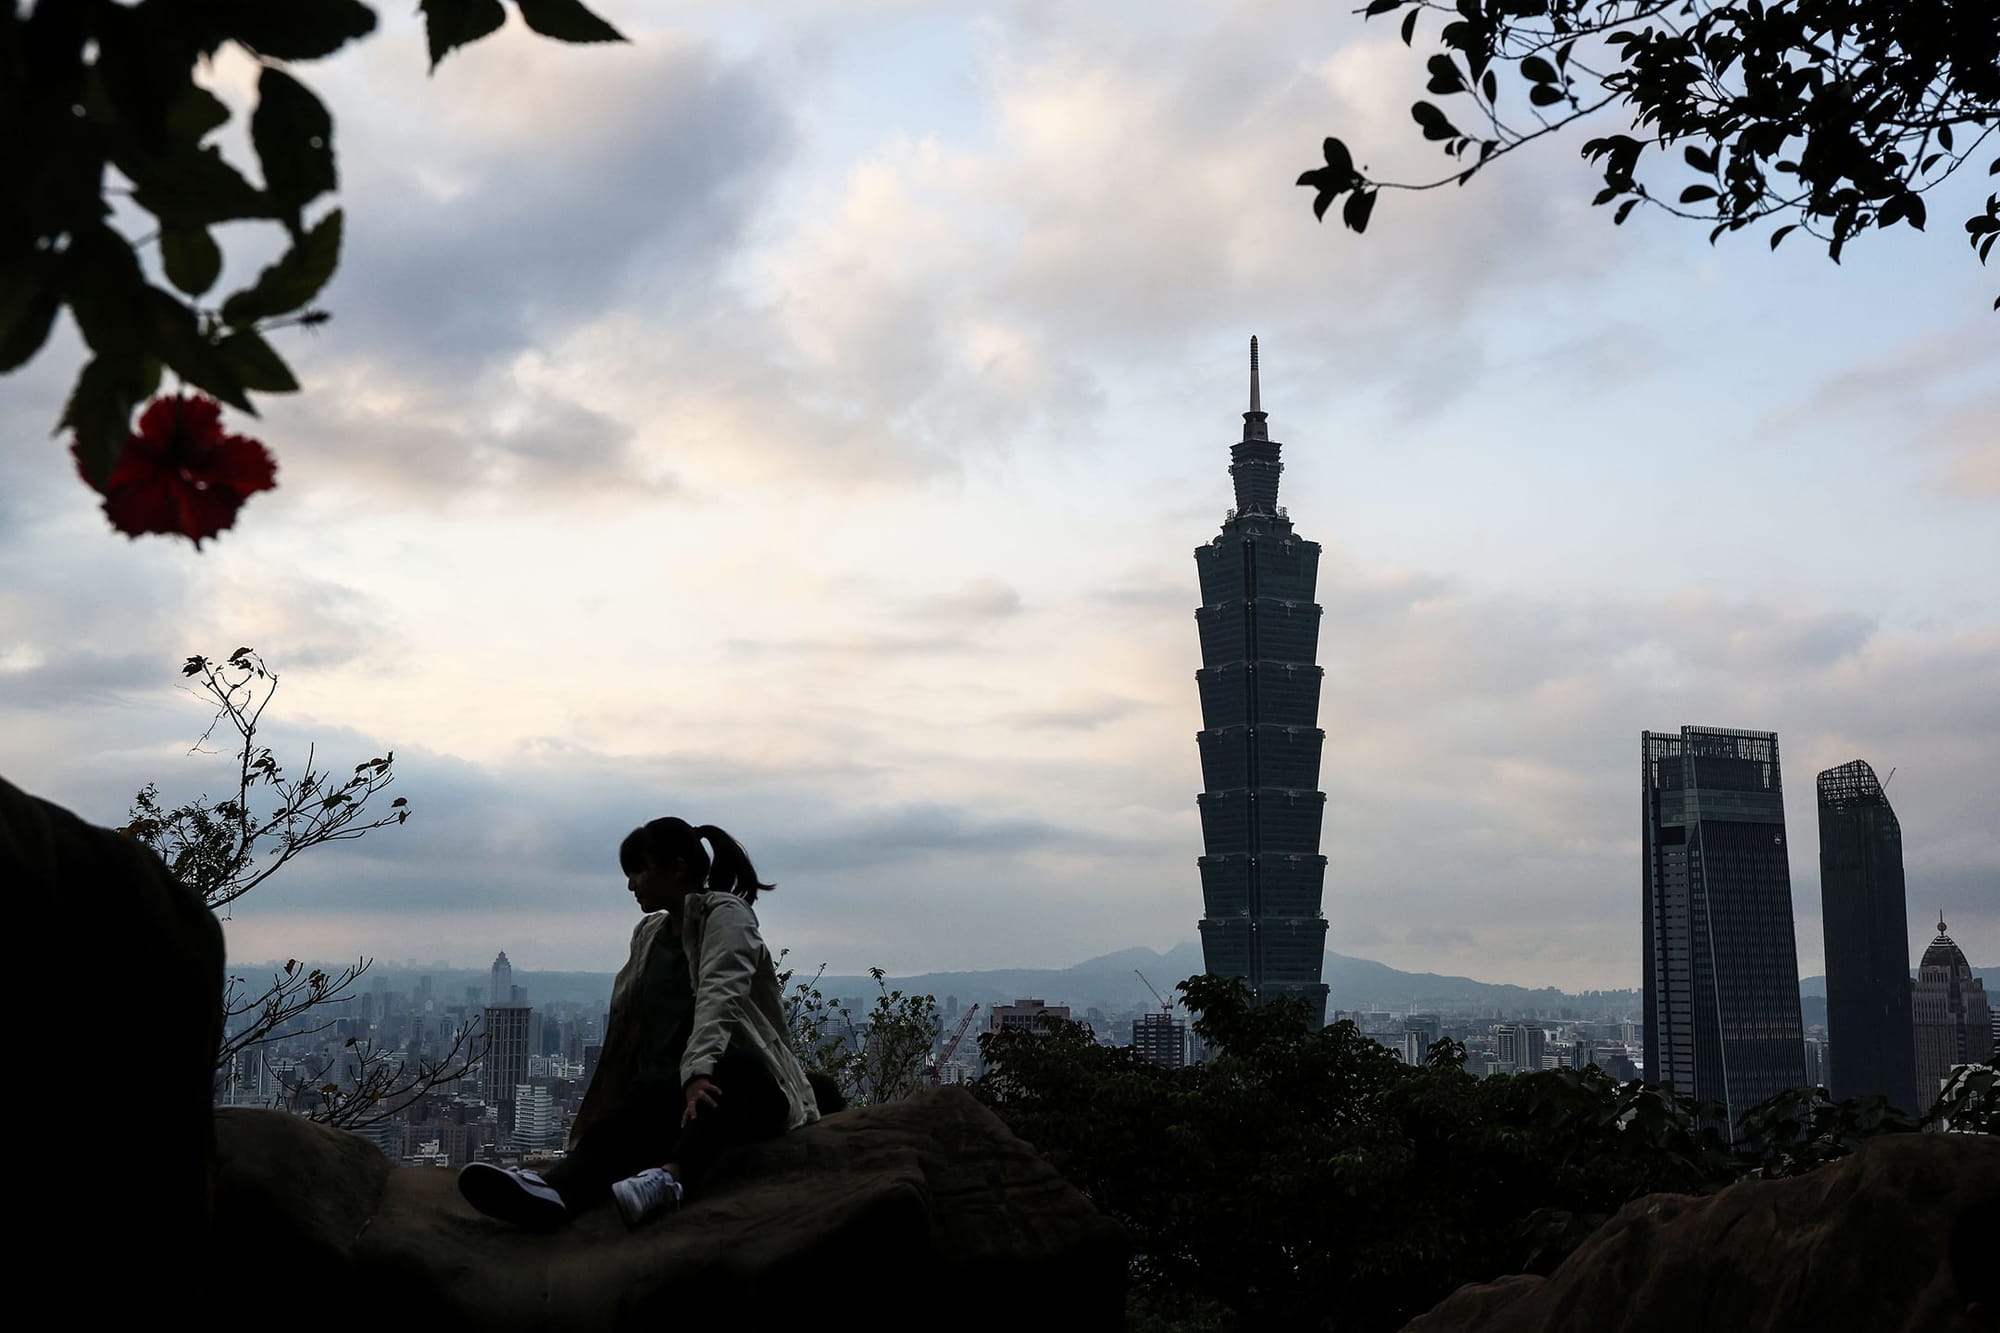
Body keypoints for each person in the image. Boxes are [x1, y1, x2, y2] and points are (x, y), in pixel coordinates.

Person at [457, 817, 826, 1229]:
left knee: (734, 1072)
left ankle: (671, 1179)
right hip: (667, 1092)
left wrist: (699, 1071)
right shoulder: (650, 931)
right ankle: (553, 1194)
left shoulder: (726, 915)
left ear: (677, 868)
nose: (632, 884)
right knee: (618, 1127)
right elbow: (631, 1018)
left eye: (640, 870)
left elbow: (720, 993)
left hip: (736, 1084)